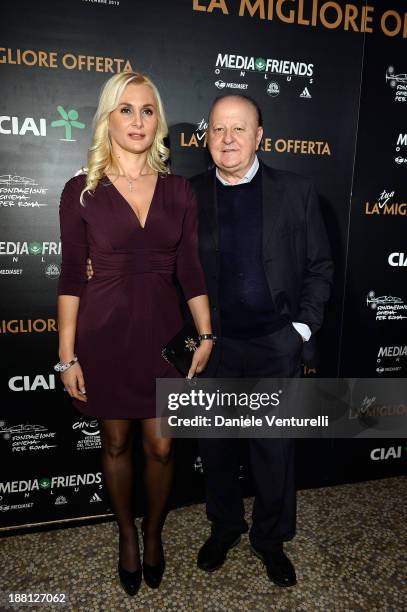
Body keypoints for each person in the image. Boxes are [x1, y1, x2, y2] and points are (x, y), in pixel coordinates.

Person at [56, 71, 213, 597]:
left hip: (165, 337)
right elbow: (72, 276)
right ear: (108, 118)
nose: (138, 121)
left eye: (148, 110)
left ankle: (154, 533)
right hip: (104, 336)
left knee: (163, 448)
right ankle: (127, 534)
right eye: (126, 109)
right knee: (117, 441)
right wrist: (66, 357)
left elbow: (190, 270)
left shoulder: (179, 191)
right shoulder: (82, 192)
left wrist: (206, 335)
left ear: (158, 121)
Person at [189, 94, 333, 587]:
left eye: (238, 129)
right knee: (218, 451)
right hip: (214, 348)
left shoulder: (296, 191)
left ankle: (270, 540)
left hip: (275, 346)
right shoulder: (186, 195)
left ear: (259, 136)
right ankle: (225, 527)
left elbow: (319, 267)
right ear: (206, 137)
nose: (227, 139)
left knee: (274, 453)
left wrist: (301, 331)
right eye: (218, 130)